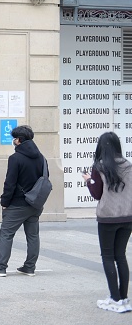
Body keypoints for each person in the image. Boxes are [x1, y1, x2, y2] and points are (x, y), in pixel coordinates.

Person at [0, 125, 46, 277]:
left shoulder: (15, 158)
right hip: (35, 203)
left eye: (14, 139)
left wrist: (5, 202)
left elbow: (9, 183)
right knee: (33, 235)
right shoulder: (41, 158)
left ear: (18, 140)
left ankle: (0, 266)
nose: (13, 141)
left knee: (6, 233)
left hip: (17, 204)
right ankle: (30, 267)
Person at [82, 132, 132, 313]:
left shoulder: (100, 166)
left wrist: (89, 181)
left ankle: (114, 299)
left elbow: (97, 193)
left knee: (108, 256)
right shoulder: (128, 165)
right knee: (121, 256)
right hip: (127, 216)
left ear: (101, 147)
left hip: (108, 217)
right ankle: (124, 299)